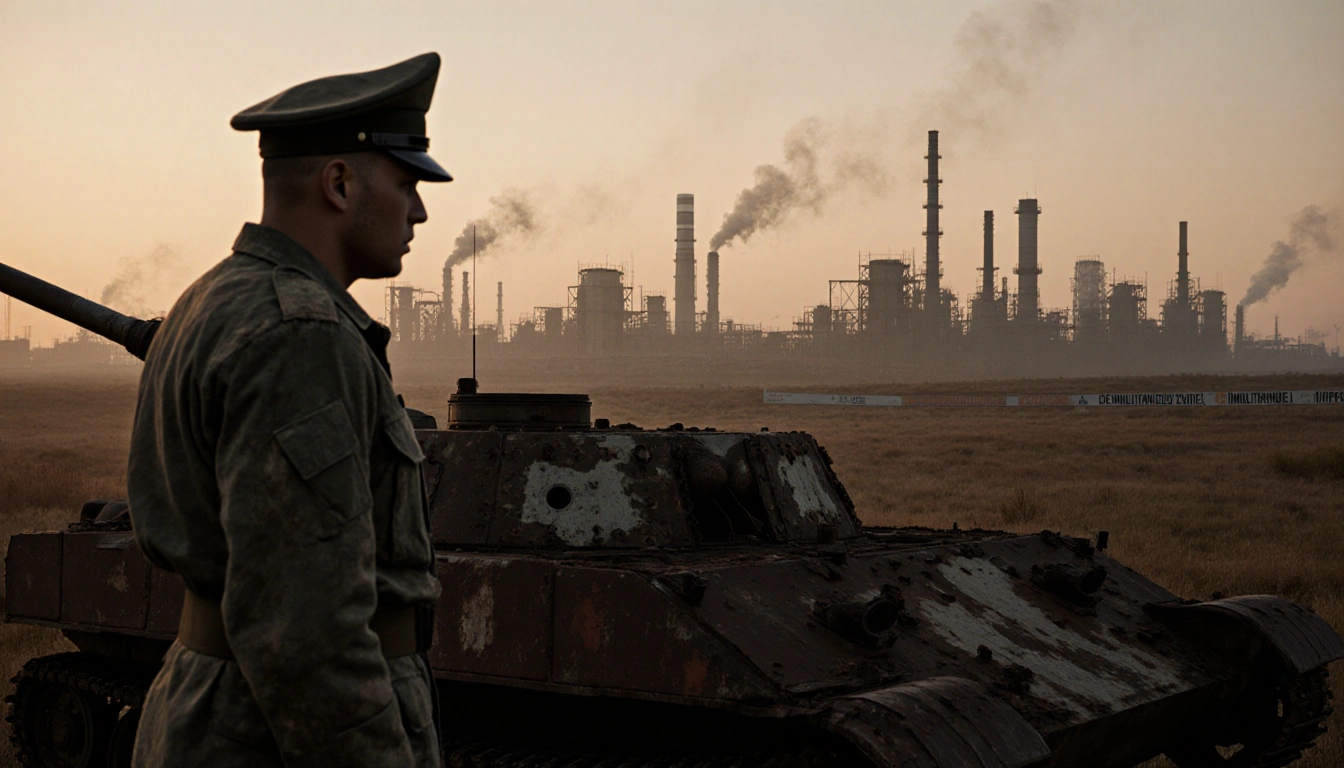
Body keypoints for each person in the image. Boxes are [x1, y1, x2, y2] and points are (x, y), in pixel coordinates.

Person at [127, 52, 451, 768]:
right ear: (340, 183)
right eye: (406, 183)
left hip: (215, 705)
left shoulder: (213, 297)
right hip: (266, 731)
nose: (420, 210)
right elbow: (308, 635)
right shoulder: (302, 335)